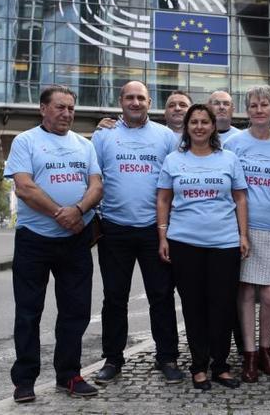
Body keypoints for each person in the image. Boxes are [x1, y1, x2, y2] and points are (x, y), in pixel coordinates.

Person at [3, 85, 103, 403]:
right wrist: (62, 213)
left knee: (76, 311)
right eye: (60, 107)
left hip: (76, 240)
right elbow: (24, 188)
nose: (67, 113)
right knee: (29, 312)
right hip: (35, 241)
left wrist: (79, 211)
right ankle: (24, 380)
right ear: (43, 109)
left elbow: (96, 186)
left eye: (71, 108)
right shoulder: (26, 141)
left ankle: (69, 375)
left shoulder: (84, 145)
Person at [90, 81, 182, 385]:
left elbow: (174, 183)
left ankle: (167, 357)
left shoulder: (166, 136)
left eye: (140, 98)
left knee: (161, 295)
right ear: (120, 101)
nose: (135, 102)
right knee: (114, 298)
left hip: (154, 229)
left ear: (149, 101)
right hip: (114, 229)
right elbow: (93, 179)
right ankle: (113, 359)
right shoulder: (103, 136)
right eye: (129, 97)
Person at [156, 104, 249, 391]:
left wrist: (243, 235)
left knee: (222, 306)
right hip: (185, 243)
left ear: (212, 126)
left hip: (224, 243)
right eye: (193, 122)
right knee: (194, 307)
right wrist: (163, 236)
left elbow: (240, 199)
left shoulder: (229, 159)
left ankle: (220, 366)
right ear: (187, 127)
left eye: (204, 122)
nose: (199, 126)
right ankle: (198, 367)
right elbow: (163, 200)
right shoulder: (173, 159)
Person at [224, 86, 270, 383]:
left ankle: (267, 349)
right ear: (247, 110)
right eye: (253, 105)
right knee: (245, 291)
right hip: (240, 226)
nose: (259, 110)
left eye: (265, 105)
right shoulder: (234, 143)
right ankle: (249, 354)